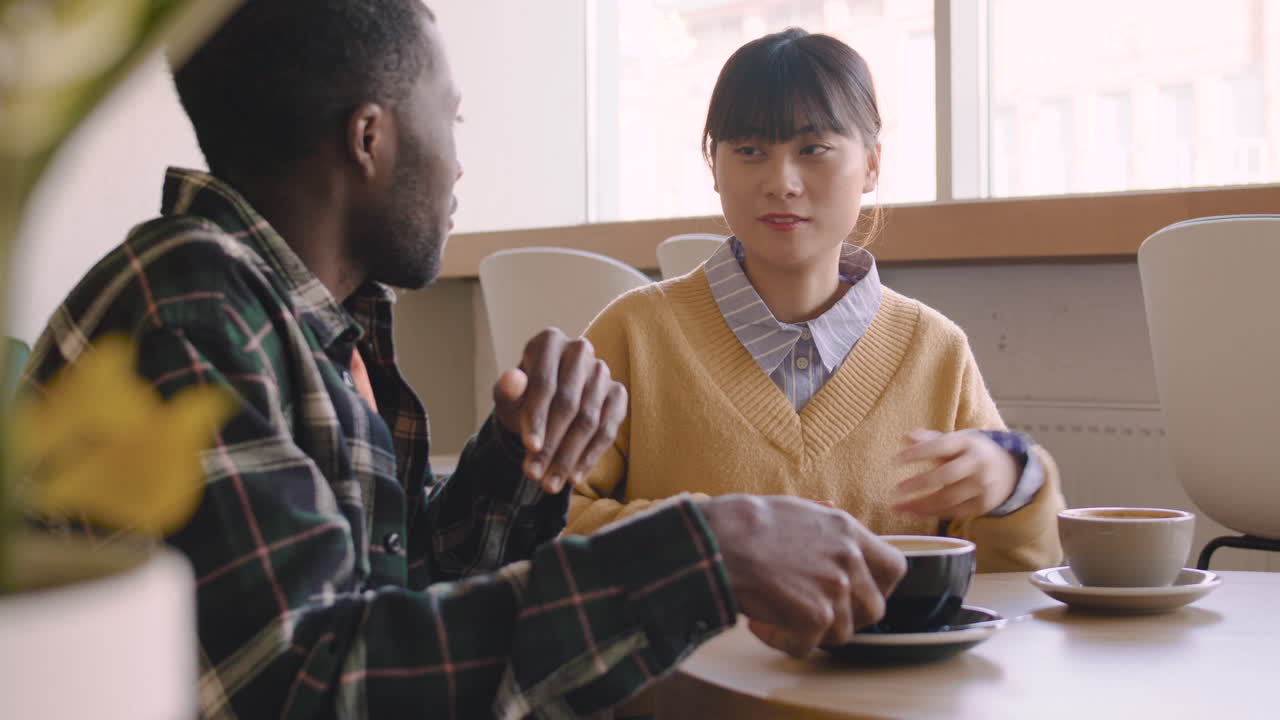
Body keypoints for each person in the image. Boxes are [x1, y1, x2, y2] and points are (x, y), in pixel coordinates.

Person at [20, 3, 907, 718]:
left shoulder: (306, 322)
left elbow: (394, 608)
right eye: (450, 118)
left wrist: (515, 462)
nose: (458, 167)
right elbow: (306, 687)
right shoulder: (189, 312)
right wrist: (706, 552)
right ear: (371, 138)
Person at [568, 29, 1066, 573]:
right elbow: (546, 523)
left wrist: (1013, 487)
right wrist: (717, 539)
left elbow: (1011, 580)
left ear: (872, 164)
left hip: (893, 661)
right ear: (714, 165)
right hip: (698, 661)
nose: (781, 182)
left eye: (814, 150)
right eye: (750, 151)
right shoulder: (633, 335)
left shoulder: (935, 351)